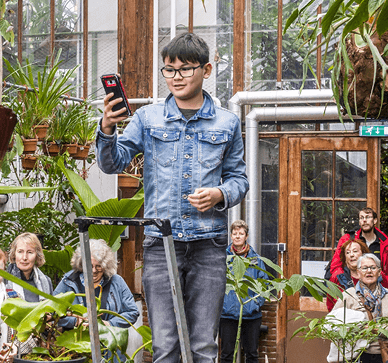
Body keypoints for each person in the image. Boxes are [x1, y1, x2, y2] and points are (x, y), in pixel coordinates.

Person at [97, 32, 249, 363]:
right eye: (169, 70)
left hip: (208, 245)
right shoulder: (147, 118)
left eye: (185, 69)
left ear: (206, 70)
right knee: (164, 345)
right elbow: (112, 163)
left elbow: (240, 179)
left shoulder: (228, 123)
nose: (176, 77)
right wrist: (108, 128)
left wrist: (219, 193)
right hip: (160, 245)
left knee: (203, 347)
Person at [52, 239, 139, 329]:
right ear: (81, 264)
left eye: (99, 266)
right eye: (89, 266)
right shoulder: (69, 281)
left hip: (107, 340)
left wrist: (109, 324)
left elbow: (132, 312)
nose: (94, 271)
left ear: (106, 265)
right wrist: (76, 321)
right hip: (74, 340)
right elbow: (52, 311)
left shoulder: (116, 281)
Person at [219, 220, 269, 363]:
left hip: (251, 316)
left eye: (241, 234)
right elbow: (216, 284)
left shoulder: (256, 260)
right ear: (231, 236)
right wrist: (222, 305)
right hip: (227, 315)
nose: (237, 236)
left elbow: (263, 286)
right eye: (235, 234)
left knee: (252, 354)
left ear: (246, 236)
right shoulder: (223, 259)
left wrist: (254, 305)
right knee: (226, 354)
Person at [332, 253, 388, 363]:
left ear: (379, 271)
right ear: (358, 272)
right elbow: (332, 324)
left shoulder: (387, 295)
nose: (369, 271)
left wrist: (378, 329)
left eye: (373, 267)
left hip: (384, 355)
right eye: (364, 268)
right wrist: (358, 329)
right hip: (356, 356)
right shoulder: (348, 295)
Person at [329, 208, 388, 288]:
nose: (364, 220)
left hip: (379, 289)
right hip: (350, 285)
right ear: (359, 222)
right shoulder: (347, 239)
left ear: (375, 221)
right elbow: (336, 267)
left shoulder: (385, 243)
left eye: (367, 217)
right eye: (361, 218)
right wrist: (346, 283)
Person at [6, 233, 53, 302]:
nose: (24, 257)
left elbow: (51, 309)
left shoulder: (46, 281)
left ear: (37, 255)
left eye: (30, 252)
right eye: (20, 252)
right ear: (14, 254)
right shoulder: (3, 281)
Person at [326, 238, 370, 311]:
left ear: (363, 253)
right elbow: (330, 306)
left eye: (355, 251)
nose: (351, 255)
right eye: (348, 252)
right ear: (345, 258)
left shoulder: (374, 275)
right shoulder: (337, 277)